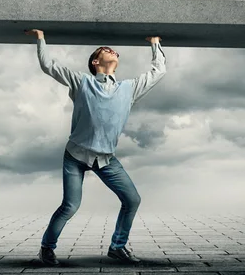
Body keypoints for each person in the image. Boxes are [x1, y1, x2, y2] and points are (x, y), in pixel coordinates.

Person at [24, 29, 166, 266]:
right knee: (70, 206)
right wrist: (40, 37)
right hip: (75, 155)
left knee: (132, 200)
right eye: (105, 49)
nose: (113, 51)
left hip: (107, 159)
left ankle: (117, 247)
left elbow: (158, 71)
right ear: (95, 61)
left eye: (115, 51)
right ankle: (46, 249)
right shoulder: (81, 82)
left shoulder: (128, 88)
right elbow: (48, 65)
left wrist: (154, 43)